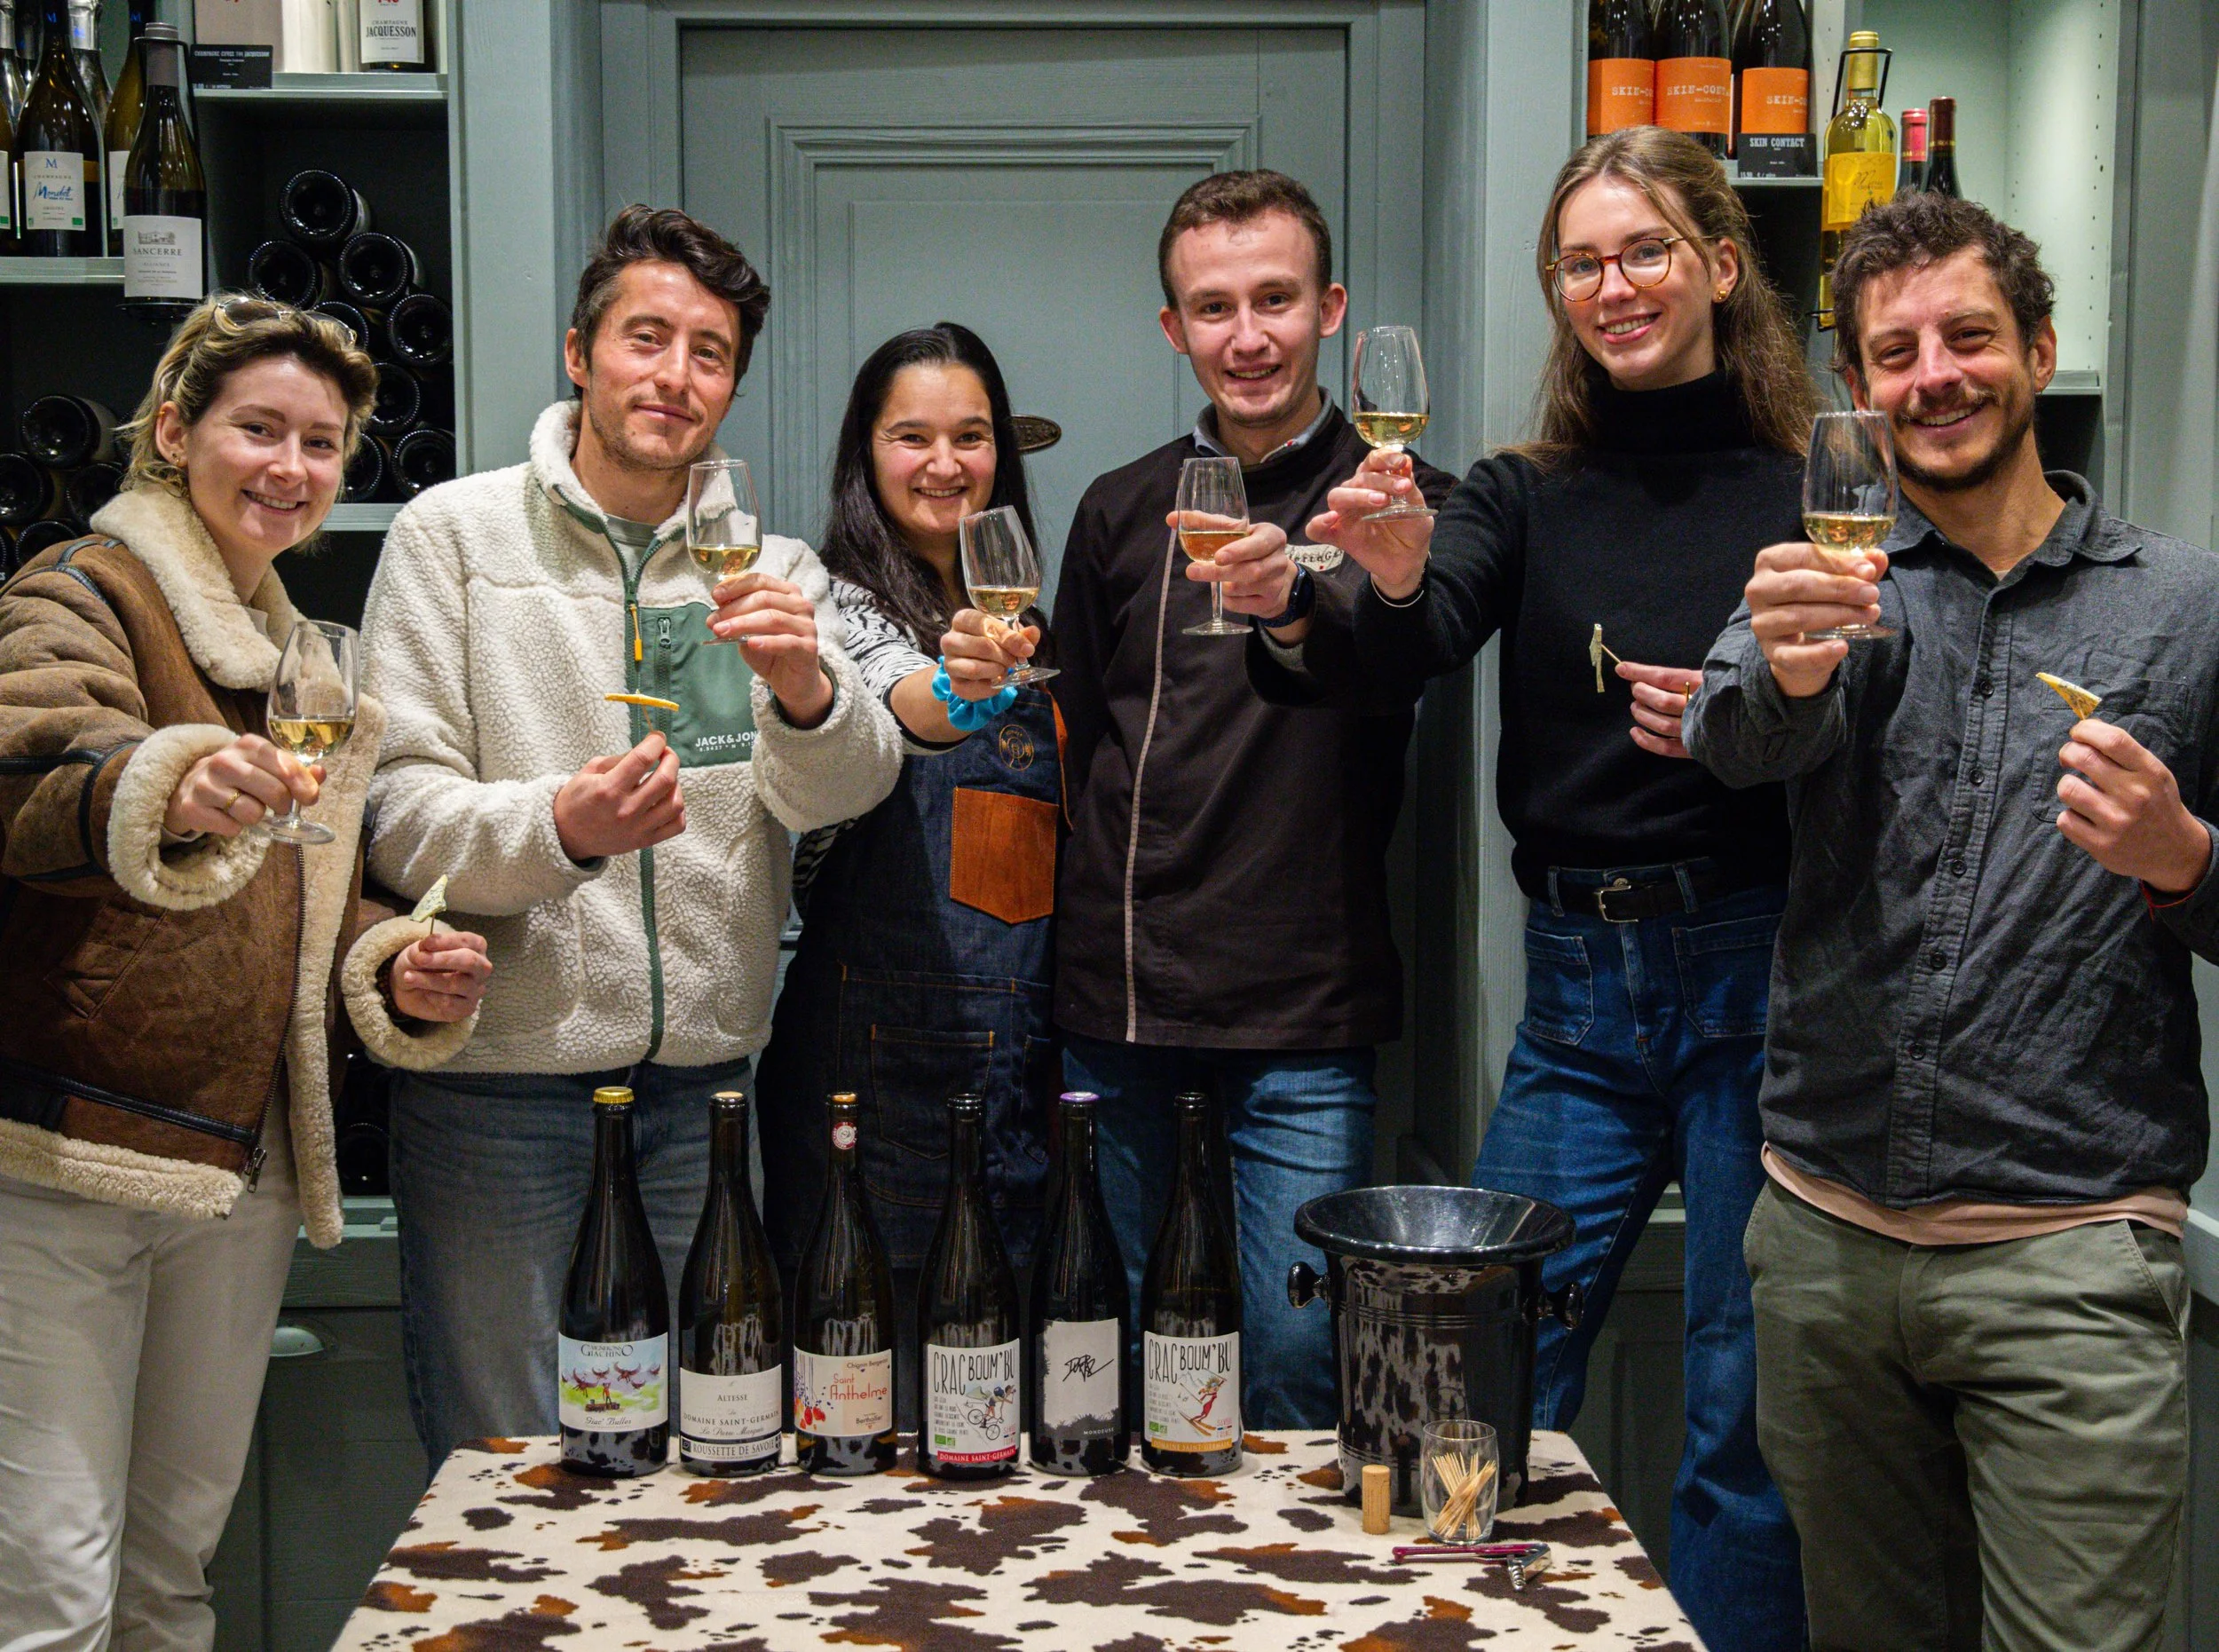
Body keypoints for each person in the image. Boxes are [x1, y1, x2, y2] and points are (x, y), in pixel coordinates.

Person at [1228, 130, 1812, 1652]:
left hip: (1768, 982)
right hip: (1577, 993)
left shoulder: (1816, 484)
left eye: (1644, 251)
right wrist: (1399, 577)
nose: (1611, 285)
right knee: (1459, 1380)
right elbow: (1404, 641)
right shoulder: (1517, 487)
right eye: (1581, 263)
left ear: (1719, 266)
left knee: (1743, 1406)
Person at [1686, 194, 2212, 1652]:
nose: (1936, 377)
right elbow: (1735, 738)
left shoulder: (2183, 607)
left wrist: (2184, 857)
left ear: (2037, 350)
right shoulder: (1826, 579)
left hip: (2071, 1255)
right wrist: (1788, 677)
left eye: (1969, 337)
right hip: (1829, 1246)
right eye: (1896, 352)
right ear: (1859, 389)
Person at [360, 206, 903, 1469]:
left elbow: (852, 781)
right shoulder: (454, 537)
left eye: (709, 353)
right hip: (501, 1087)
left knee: (704, 1455)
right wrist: (559, 826)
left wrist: (810, 692)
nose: (675, 375)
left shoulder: (767, 566)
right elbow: (394, 808)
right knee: (505, 1465)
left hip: (702, 1096)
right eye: (645, 338)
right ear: (577, 353)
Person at [0, 295, 491, 1651]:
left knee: (168, 1566)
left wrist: (400, 970)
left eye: (322, 443)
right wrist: (158, 778)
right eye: (257, 428)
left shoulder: (299, 655)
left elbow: (311, 895)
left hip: (242, 1168)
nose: (290, 466)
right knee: (48, 1584)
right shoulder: (74, 594)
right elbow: (31, 767)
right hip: (69, 1158)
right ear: (174, 433)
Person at [1050, 169, 1453, 1429]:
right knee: (1118, 1350)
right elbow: (1070, 742)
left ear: (1329, 307)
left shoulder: (1399, 503)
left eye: (1275, 298)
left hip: (1302, 1017)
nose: (1248, 336)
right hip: (1119, 1008)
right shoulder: (1119, 506)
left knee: (1289, 1366)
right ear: (1174, 330)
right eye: (1213, 307)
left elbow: (1399, 661)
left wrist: (1300, 601)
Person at [755, 322, 1055, 1419]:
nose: (944, 463)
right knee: (864, 1405)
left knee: (1001, 1401)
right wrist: (960, 686)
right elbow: (890, 706)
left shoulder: (1027, 623)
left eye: (969, 436)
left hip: (1011, 1077)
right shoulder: (831, 609)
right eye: (910, 436)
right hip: (867, 1080)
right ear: (864, 454)